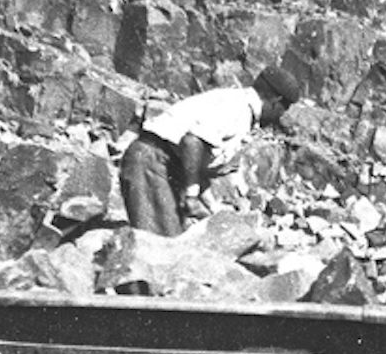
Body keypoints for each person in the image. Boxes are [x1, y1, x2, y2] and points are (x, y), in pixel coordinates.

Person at [119, 66, 302, 235]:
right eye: (283, 110)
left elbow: (196, 158)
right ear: (276, 101)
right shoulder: (236, 107)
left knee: (173, 242)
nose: (280, 117)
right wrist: (192, 196)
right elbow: (192, 142)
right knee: (159, 246)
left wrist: (211, 208)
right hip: (152, 161)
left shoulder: (237, 105)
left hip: (163, 164)